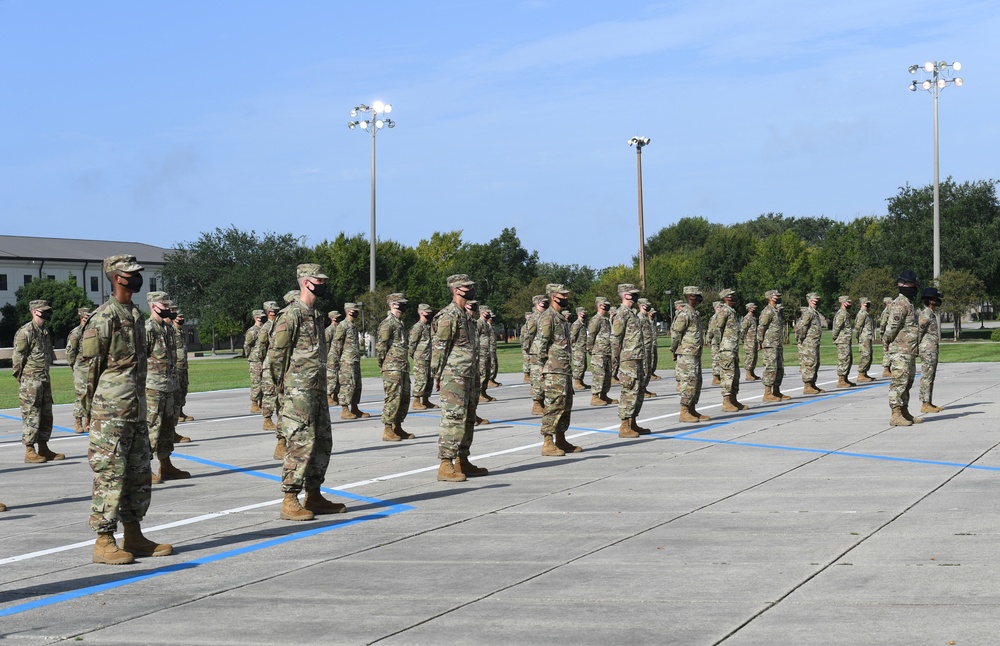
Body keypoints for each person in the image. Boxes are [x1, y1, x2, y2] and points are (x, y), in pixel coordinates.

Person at [82, 254, 172, 565]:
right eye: (131, 273)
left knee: (137, 474)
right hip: (111, 413)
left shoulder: (134, 314)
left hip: (135, 408)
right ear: (117, 277)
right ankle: (104, 540)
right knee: (111, 475)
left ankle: (133, 534)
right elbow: (87, 370)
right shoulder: (104, 318)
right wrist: (88, 412)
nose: (136, 277)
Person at [270, 264, 345, 520]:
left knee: (322, 442)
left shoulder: (315, 314)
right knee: (300, 444)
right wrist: (283, 390)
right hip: (298, 392)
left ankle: (314, 494)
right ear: (305, 282)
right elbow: (277, 356)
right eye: (318, 280)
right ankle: (290, 499)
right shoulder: (290, 315)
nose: (323, 283)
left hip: (317, 390)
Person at [431, 274, 488, 482]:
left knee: (469, 418)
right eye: (467, 287)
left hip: (469, 374)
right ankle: (445, 464)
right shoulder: (448, 315)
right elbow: (439, 348)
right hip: (453, 376)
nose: (471, 289)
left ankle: (462, 460)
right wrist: (436, 375)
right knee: (453, 418)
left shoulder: (467, 315)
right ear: (456, 290)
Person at [531, 283, 582, 455]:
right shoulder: (548, 317)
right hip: (553, 370)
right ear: (554, 296)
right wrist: (543, 367)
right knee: (553, 406)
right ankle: (547, 442)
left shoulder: (560, 317)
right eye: (563, 295)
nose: (566, 298)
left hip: (564, 369)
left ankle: (561, 439)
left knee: (565, 406)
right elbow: (540, 345)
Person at [145, 291, 189, 484]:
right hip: (152, 387)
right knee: (151, 427)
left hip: (169, 385)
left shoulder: (168, 329)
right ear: (153, 306)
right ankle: (144, 469)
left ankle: (166, 465)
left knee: (167, 428)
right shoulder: (147, 329)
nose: (168, 310)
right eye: (164, 306)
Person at [12, 299, 62, 463]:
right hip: (31, 382)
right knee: (31, 415)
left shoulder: (44, 331)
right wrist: (23, 380)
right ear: (35, 311)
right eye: (44, 310)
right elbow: (18, 358)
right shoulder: (25, 331)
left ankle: (44, 448)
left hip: (44, 379)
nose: (47, 313)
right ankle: (29, 450)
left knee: (47, 415)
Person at [884, 270, 923, 426]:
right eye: (913, 284)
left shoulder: (908, 302)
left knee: (908, 382)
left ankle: (904, 410)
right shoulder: (900, 303)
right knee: (899, 382)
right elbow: (893, 326)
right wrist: (887, 341)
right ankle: (896, 414)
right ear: (906, 284)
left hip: (909, 350)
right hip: (900, 350)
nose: (915, 288)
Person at [612, 283, 649, 437]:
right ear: (626, 295)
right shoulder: (621, 314)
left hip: (637, 357)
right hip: (628, 360)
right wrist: (615, 361)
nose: (635, 296)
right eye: (633, 293)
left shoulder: (632, 313)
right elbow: (616, 339)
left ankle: (632, 422)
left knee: (638, 391)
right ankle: (624, 426)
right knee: (629, 391)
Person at [377, 293, 414, 441]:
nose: (403, 306)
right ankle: (387, 429)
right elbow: (381, 346)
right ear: (393, 305)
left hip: (402, 366)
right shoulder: (388, 323)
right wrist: (384, 364)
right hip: (392, 367)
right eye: (401, 303)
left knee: (404, 398)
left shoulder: (399, 323)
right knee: (393, 397)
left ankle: (397, 427)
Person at [672, 286, 709, 423]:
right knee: (688, 382)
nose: (700, 298)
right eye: (697, 295)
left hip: (695, 353)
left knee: (696, 382)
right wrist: (674, 350)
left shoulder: (694, 313)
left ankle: (692, 408)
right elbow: (676, 334)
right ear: (690, 297)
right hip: (686, 355)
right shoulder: (684, 314)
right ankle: (684, 411)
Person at [713, 288, 747, 412]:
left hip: (732, 347)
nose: (734, 297)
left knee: (735, 374)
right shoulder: (724, 311)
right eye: (732, 295)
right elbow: (718, 329)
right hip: (726, 348)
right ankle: (726, 402)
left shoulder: (731, 311)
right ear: (726, 298)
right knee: (728, 374)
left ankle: (733, 399)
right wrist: (718, 346)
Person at [333, 303, 369, 420]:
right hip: (346, 361)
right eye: (355, 310)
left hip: (355, 361)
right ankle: (345, 409)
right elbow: (336, 345)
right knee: (347, 384)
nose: (356, 312)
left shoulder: (353, 326)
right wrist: (335, 362)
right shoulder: (342, 326)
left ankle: (355, 407)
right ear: (348, 311)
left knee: (356, 385)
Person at [758, 290, 790, 402]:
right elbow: (762, 327)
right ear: (770, 298)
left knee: (779, 367)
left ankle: (776, 391)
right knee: (770, 367)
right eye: (777, 296)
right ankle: (767, 393)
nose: (779, 297)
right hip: (770, 344)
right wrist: (759, 341)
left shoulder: (777, 311)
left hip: (777, 344)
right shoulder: (767, 311)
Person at [253, 301, 280, 433]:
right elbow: (260, 349)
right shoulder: (266, 327)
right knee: (269, 393)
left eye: (275, 310)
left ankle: (282, 419)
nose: (273, 312)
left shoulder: (281, 325)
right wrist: (266, 361)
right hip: (270, 365)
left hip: (282, 365)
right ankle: (267, 420)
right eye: (271, 310)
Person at [65, 307, 92, 434]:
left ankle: (89, 421)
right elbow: (70, 352)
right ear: (81, 317)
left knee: (92, 395)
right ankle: (78, 421)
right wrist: (74, 366)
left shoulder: (92, 331)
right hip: (80, 368)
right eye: (85, 317)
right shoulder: (76, 333)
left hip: (92, 368)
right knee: (81, 395)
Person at [918, 287, 944, 413]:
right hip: (927, 351)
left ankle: (929, 402)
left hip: (932, 350)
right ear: (930, 300)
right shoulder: (926, 314)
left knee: (931, 376)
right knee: (927, 377)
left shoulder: (931, 313)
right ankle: (925, 404)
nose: (938, 300)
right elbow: (919, 332)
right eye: (935, 298)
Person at [587, 297, 616, 406]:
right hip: (598, 352)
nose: (607, 307)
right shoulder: (596, 320)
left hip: (607, 352)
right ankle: (595, 397)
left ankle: (604, 395)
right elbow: (591, 336)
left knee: (607, 375)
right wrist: (591, 350)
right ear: (600, 306)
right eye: (605, 305)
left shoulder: (606, 320)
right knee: (599, 375)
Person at [408, 303, 436, 410]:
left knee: (429, 379)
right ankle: (416, 401)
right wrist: (415, 356)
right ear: (421, 312)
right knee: (421, 379)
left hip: (429, 357)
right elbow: (412, 344)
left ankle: (426, 400)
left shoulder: (429, 327)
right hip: (421, 358)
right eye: (427, 312)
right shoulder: (417, 327)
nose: (429, 313)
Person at [796, 292, 825, 394]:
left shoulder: (814, 312)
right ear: (809, 300)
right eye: (814, 300)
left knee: (815, 363)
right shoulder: (808, 313)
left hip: (815, 343)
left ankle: (812, 384)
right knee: (810, 363)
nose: (816, 301)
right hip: (809, 343)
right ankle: (807, 386)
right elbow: (801, 327)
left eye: (817, 299)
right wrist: (801, 339)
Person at [525, 294, 549, 415]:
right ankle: (537, 404)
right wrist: (528, 352)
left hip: (544, 351)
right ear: (537, 303)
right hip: (535, 352)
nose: (545, 304)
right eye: (542, 302)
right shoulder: (534, 318)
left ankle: (543, 402)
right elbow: (528, 336)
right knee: (538, 379)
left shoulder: (545, 316)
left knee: (545, 378)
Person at [171, 310, 192, 443]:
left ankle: (181, 411)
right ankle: (176, 413)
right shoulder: (171, 331)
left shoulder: (182, 332)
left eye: (183, 317)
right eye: (180, 317)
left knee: (184, 389)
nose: (181, 319)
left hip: (183, 365)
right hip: (176, 365)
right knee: (177, 391)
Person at [831, 295, 855, 388]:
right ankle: (841, 380)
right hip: (842, 341)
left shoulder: (845, 313)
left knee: (848, 359)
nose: (850, 304)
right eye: (848, 302)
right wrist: (835, 337)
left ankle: (845, 378)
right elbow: (837, 327)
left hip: (845, 340)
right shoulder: (842, 314)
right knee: (844, 359)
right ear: (843, 303)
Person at [245, 309, 265, 413]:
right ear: (255, 317)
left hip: (264, 358)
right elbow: (247, 345)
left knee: (264, 382)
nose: (260, 318)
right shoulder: (253, 330)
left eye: (261, 316)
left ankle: (262, 402)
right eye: (258, 316)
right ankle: (254, 403)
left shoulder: (265, 328)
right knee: (256, 382)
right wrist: (250, 357)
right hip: (255, 360)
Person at [854, 297, 876, 382]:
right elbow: (858, 327)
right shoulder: (862, 314)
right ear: (863, 303)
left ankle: (864, 373)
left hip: (867, 337)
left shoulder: (866, 313)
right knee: (865, 355)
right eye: (867, 303)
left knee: (868, 355)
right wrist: (858, 337)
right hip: (864, 338)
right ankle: (861, 374)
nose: (868, 304)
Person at [638, 298, 657, 397]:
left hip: (648, 346)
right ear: (642, 305)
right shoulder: (639, 318)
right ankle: (641, 389)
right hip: (643, 347)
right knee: (644, 369)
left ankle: (644, 388)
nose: (648, 307)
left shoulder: (646, 318)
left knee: (648, 369)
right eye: (647, 305)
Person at [477, 306, 496, 402]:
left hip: (487, 351)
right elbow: (475, 338)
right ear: (482, 312)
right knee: (482, 373)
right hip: (481, 353)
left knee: (487, 373)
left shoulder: (487, 324)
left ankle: (484, 392)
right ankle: (479, 394)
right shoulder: (478, 323)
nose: (488, 314)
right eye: (487, 312)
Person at [324, 311, 341, 406]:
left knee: (338, 377)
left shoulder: (340, 328)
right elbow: (326, 345)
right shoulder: (329, 330)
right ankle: (328, 395)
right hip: (331, 357)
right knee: (331, 377)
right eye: (336, 317)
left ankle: (335, 394)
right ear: (332, 318)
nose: (338, 318)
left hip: (339, 356)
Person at [570, 306, 589, 391]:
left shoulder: (583, 324)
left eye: (584, 312)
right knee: (579, 365)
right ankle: (577, 382)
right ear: (578, 313)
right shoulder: (576, 324)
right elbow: (572, 336)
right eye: (582, 312)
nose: (584, 313)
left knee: (584, 365)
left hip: (582, 347)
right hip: (578, 348)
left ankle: (581, 381)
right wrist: (574, 346)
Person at [741, 302, 759, 381]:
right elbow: (742, 330)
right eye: (752, 307)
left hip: (754, 340)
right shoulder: (747, 318)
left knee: (754, 357)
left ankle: (752, 372)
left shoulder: (753, 317)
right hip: (749, 341)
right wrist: (743, 340)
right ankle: (748, 374)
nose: (754, 308)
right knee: (750, 357)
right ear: (749, 308)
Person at [879, 296, 893, 377]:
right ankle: (886, 369)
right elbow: (882, 324)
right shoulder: (886, 312)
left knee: (890, 351)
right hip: (886, 334)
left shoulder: (890, 311)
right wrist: (881, 333)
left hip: (890, 334)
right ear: (887, 303)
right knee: (886, 351)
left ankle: (889, 368)